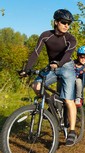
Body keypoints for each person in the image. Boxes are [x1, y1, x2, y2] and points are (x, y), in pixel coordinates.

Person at [20, 9, 78, 146]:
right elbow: (36, 52)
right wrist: (27, 69)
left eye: (69, 23)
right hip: (51, 66)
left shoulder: (71, 39)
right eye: (63, 22)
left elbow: (68, 54)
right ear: (56, 22)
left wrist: (59, 63)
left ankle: (72, 131)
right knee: (36, 86)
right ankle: (51, 104)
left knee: (69, 99)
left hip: (67, 66)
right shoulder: (45, 36)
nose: (66, 26)